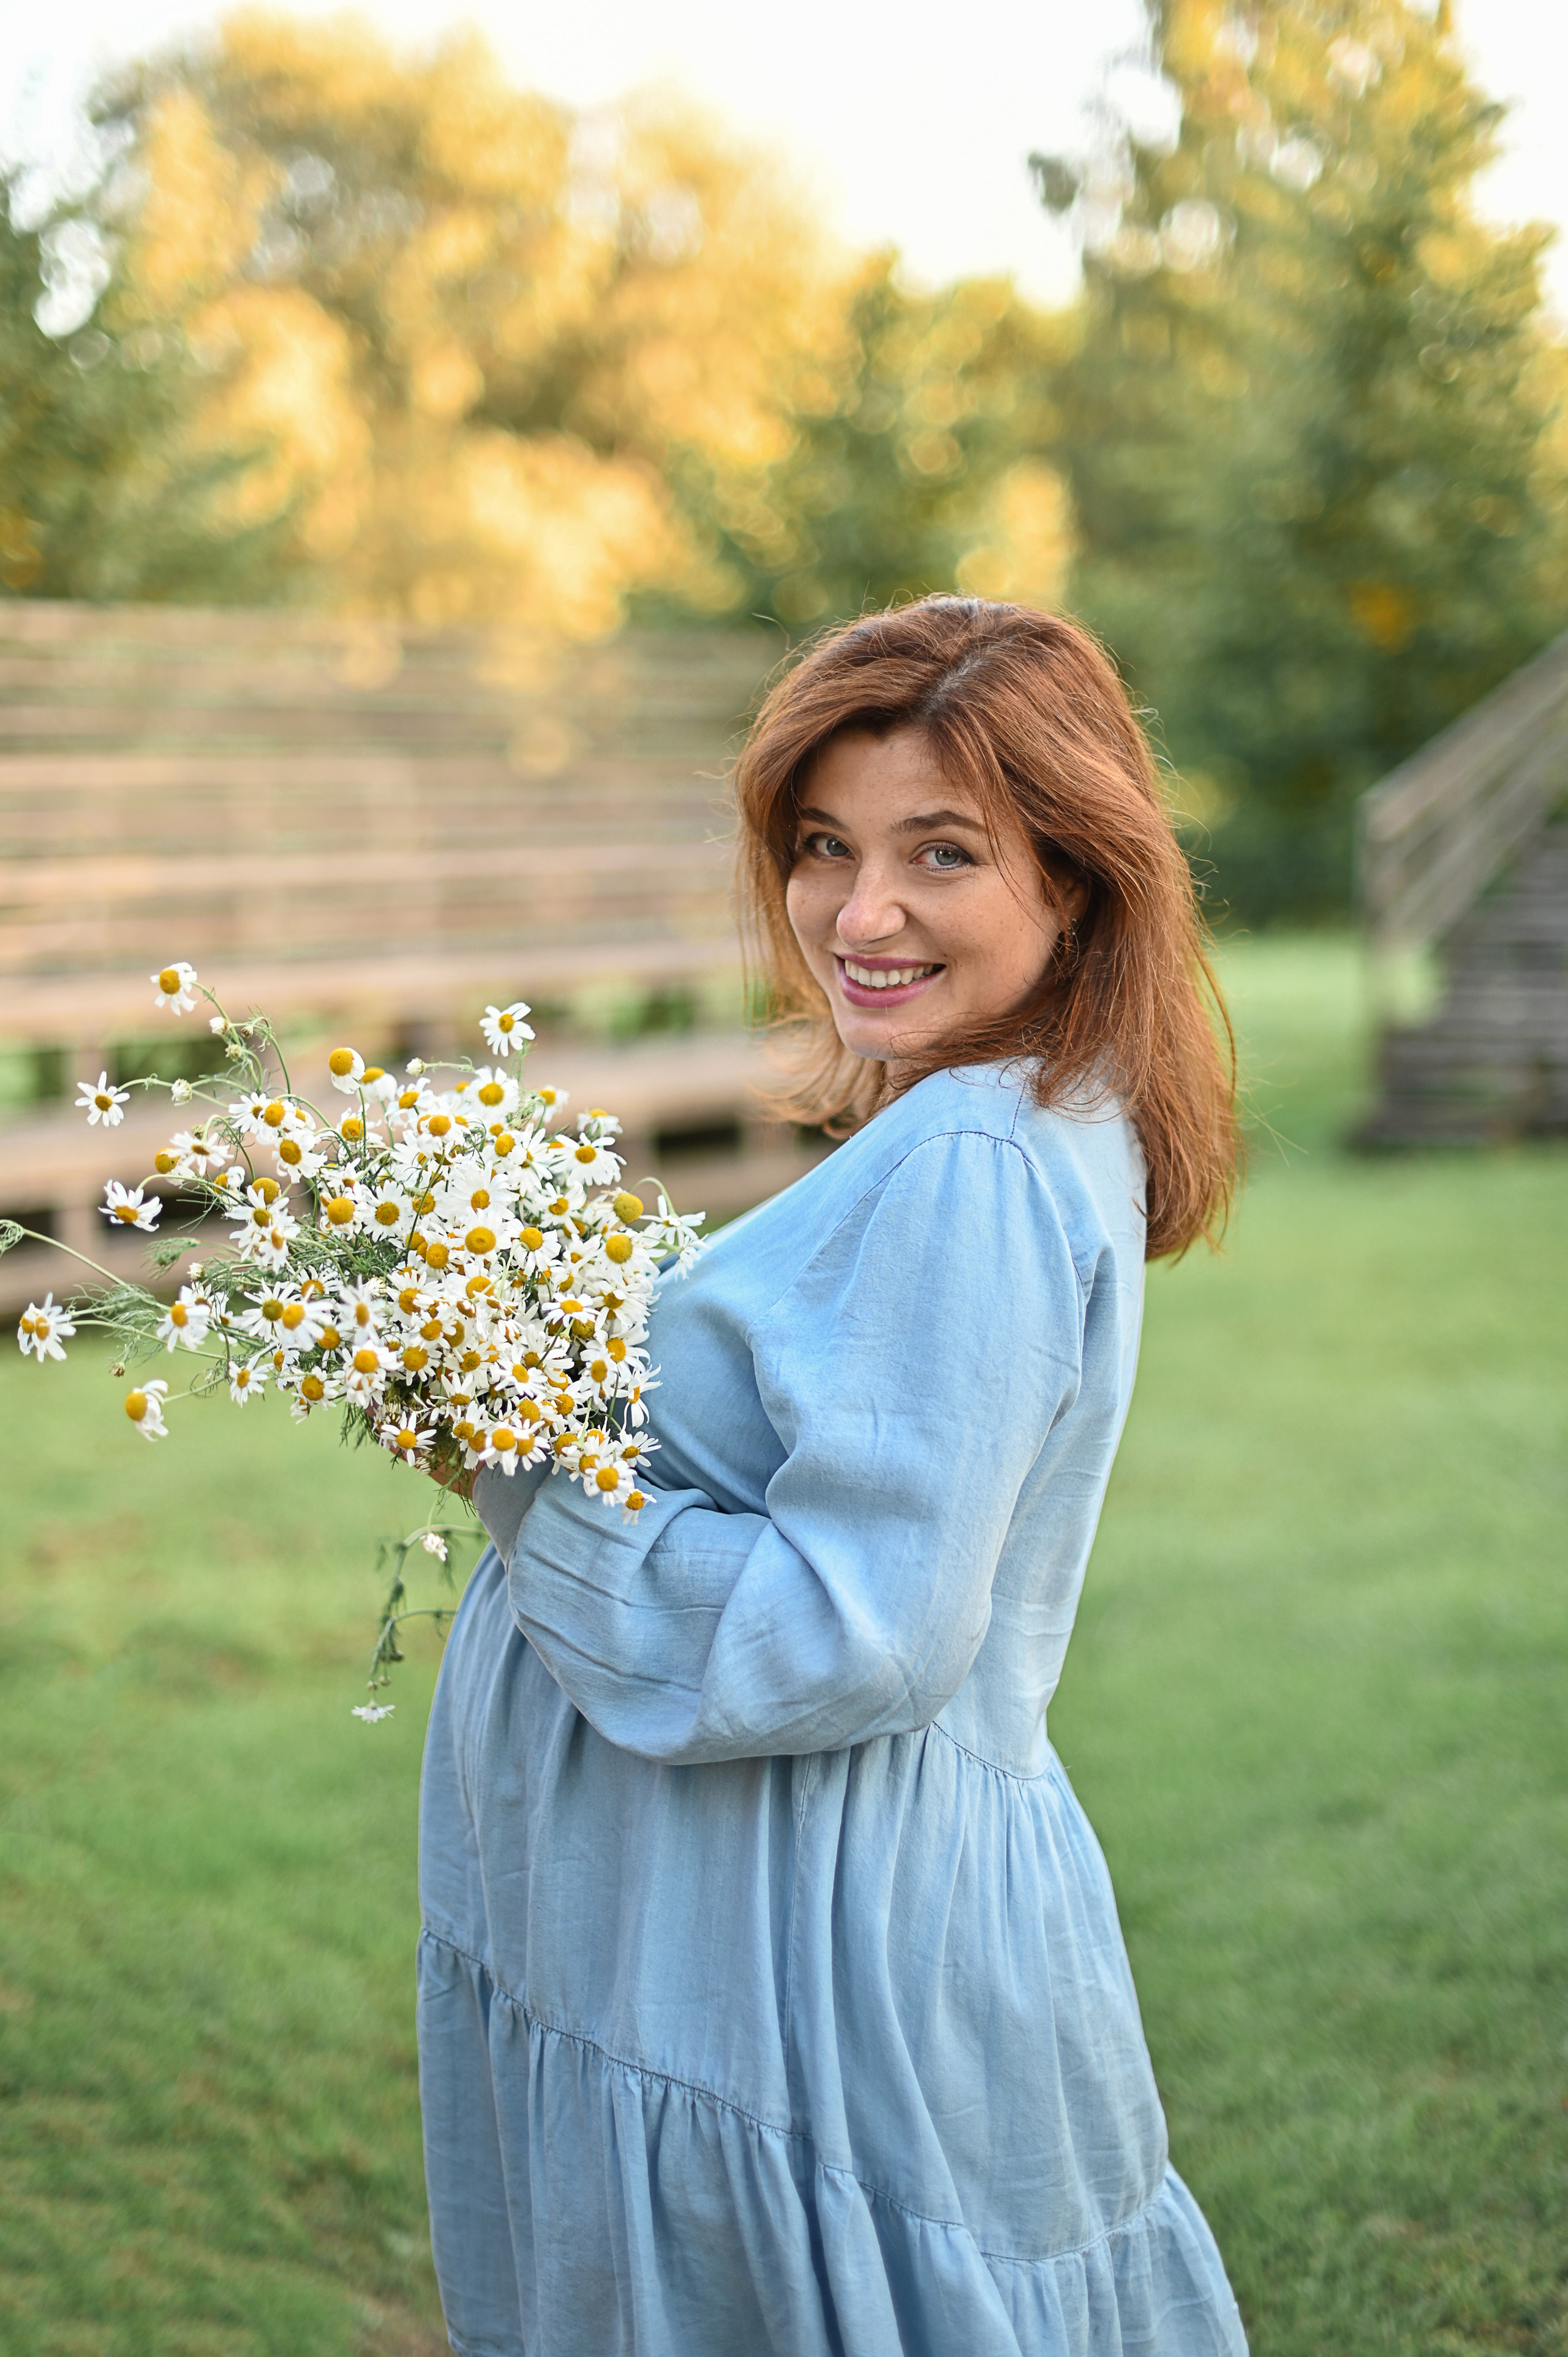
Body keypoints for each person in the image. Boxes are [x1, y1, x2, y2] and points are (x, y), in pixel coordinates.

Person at [417, 597, 1248, 2356]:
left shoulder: (974, 1161)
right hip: (807, 1896)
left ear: (1078, 873)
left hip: (800, 1941)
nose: (860, 914)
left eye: (940, 852)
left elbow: (853, 1636)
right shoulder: (1031, 1103)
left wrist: (508, 1460)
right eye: (822, 846)